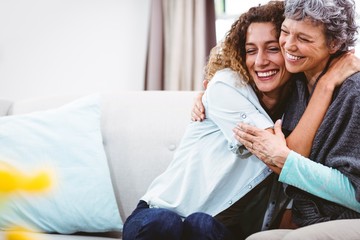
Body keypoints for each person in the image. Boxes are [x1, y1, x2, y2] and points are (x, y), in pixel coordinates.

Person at [123, 1, 359, 240]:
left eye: (272, 48)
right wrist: (326, 86)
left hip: (213, 224)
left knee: (201, 224)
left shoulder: (297, 100)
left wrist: (325, 85)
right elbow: (280, 156)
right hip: (160, 211)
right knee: (165, 222)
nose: (260, 61)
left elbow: (285, 161)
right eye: (250, 50)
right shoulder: (229, 85)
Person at [230, 0, 360, 238]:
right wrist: (206, 93)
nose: (288, 45)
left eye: (303, 39)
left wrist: (285, 160)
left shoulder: (354, 92)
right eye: (286, 32)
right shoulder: (297, 82)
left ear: (334, 43)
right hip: (309, 219)